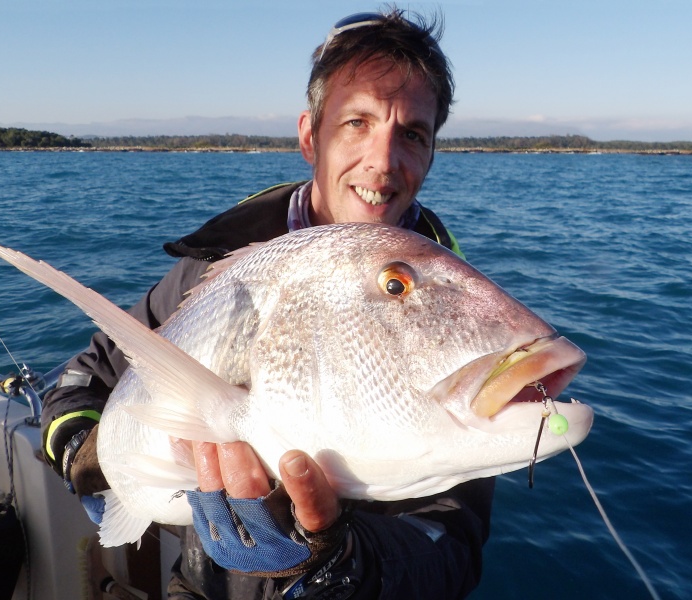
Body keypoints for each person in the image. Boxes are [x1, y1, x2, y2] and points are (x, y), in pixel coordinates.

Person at [41, 7, 495, 599]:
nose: (383, 163)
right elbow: (85, 377)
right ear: (311, 135)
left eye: (412, 133)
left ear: (431, 153)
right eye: (357, 122)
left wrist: (333, 557)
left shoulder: (453, 309)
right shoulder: (215, 269)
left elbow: (450, 550)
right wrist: (94, 457)